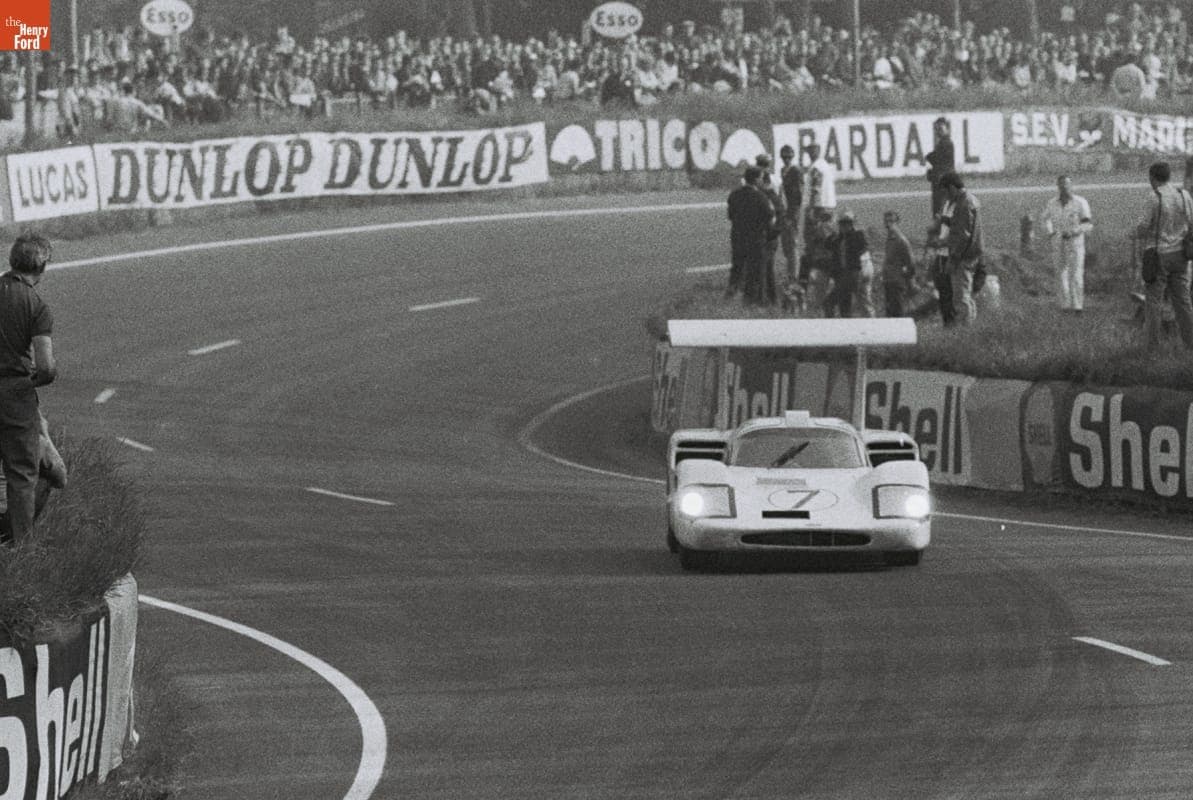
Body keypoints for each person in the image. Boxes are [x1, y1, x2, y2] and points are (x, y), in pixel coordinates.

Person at [0, 234, 56, 543]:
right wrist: (30, 382)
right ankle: (20, 548)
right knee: (22, 474)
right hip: (15, 395)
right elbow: (46, 367)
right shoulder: (36, 306)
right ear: (42, 265)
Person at [1134, 161, 1193, 350]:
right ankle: (1190, 343)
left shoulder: (1154, 197)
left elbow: (1144, 226)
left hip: (1159, 253)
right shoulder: (1184, 195)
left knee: (1153, 302)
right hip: (1181, 255)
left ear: (1152, 178)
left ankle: (1152, 346)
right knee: (1183, 301)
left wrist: (1132, 233)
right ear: (1169, 176)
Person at [1040, 175, 1093, 312]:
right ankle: (1064, 305)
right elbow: (1044, 218)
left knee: (1075, 274)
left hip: (1075, 243)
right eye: (1061, 185)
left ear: (1071, 185)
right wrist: (1050, 232)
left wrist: (1075, 231)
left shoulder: (1080, 202)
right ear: (1058, 187)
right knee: (1060, 273)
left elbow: (1088, 224)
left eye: (1067, 185)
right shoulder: (1052, 203)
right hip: (1058, 242)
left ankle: (1077, 306)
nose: (1064, 188)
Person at [938, 172, 983, 325]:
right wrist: (947, 220)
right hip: (971, 253)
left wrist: (953, 258)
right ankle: (970, 326)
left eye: (945, 191)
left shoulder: (963, 204)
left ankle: (966, 330)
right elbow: (963, 227)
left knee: (960, 297)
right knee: (966, 295)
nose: (946, 196)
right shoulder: (971, 199)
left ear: (951, 187)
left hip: (963, 256)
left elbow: (962, 235)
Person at [726, 165, 775, 306]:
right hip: (755, 238)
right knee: (755, 271)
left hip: (738, 236)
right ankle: (753, 300)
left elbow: (730, 215)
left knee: (737, 267)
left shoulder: (734, 195)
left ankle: (732, 295)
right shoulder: (761, 197)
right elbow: (769, 216)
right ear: (755, 179)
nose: (762, 180)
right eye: (760, 178)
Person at [823, 211, 873, 318]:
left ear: (852, 224)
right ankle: (845, 328)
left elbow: (863, 246)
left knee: (828, 303)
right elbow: (827, 245)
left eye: (847, 223)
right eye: (842, 223)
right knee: (844, 306)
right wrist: (833, 233)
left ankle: (830, 329)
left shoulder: (857, 235)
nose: (844, 226)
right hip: (843, 276)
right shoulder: (840, 238)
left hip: (852, 275)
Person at [778, 144, 804, 305]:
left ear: (792, 157)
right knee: (787, 245)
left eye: (788, 157)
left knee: (793, 244)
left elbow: (798, 196)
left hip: (792, 212)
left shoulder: (796, 171)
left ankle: (794, 276)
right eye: (784, 156)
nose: (786, 159)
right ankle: (790, 274)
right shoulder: (783, 170)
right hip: (785, 211)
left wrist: (792, 215)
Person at [756, 153, 783, 306]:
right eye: (763, 164)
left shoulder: (758, 181)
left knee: (762, 263)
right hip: (771, 222)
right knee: (768, 263)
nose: (764, 167)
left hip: (766, 223)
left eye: (763, 164)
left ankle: (763, 297)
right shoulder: (775, 180)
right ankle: (771, 297)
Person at [882, 210, 915, 316]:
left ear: (897, 222)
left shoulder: (901, 240)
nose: (888, 224)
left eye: (891, 221)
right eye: (886, 221)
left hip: (897, 282)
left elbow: (911, 262)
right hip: (888, 280)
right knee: (889, 312)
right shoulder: (889, 239)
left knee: (898, 313)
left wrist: (907, 278)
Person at [926, 117, 955, 218]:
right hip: (941, 180)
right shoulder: (943, 143)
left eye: (940, 129)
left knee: (940, 210)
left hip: (942, 181)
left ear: (947, 129)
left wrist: (930, 157)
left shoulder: (946, 143)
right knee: (940, 209)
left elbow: (939, 160)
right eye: (937, 129)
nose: (938, 132)